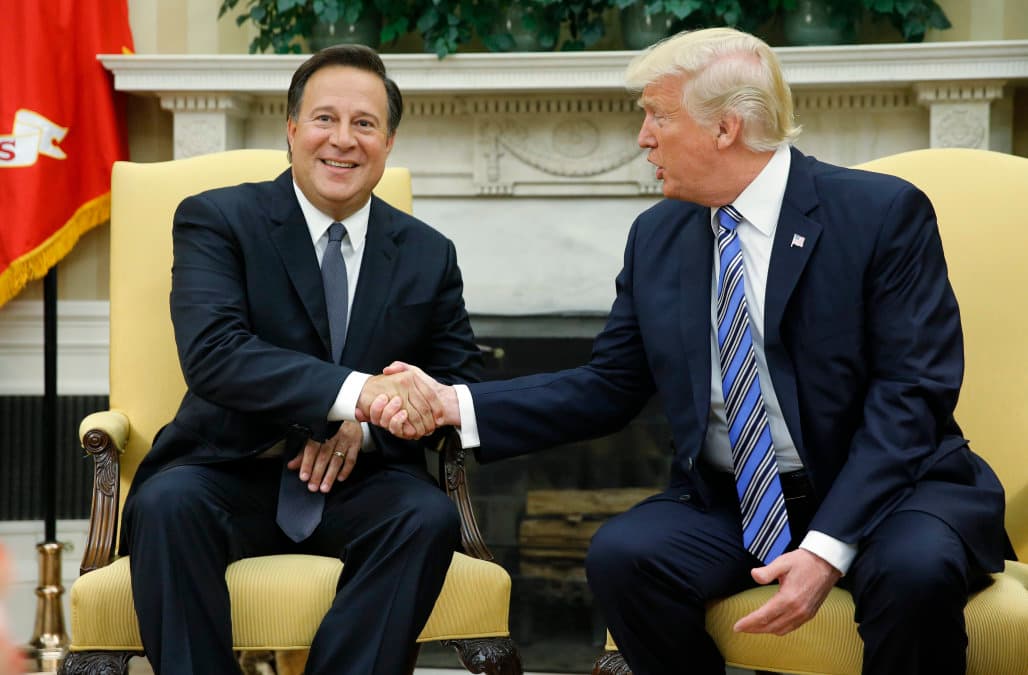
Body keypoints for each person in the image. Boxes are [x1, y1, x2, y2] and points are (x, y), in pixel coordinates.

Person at [363, 27, 1010, 675]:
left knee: (914, 571)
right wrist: (453, 403)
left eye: (657, 115)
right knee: (626, 554)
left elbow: (911, 396)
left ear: (726, 128)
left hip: (891, 492)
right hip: (738, 502)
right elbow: (607, 386)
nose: (643, 136)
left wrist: (826, 545)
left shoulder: (879, 214)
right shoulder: (658, 236)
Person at [121, 45, 480, 675]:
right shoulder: (218, 219)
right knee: (165, 506)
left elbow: (460, 383)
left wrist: (367, 424)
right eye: (324, 119)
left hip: (361, 483)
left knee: (426, 517)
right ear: (291, 129)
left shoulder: (428, 252)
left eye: (364, 124)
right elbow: (216, 355)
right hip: (230, 468)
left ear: (389, 141)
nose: (343, 140)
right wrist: (352, 396)